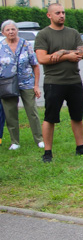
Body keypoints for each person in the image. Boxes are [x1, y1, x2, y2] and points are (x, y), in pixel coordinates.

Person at [34, 3, 83, 163]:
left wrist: (62, 52)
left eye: (63, 12)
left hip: (74, 81)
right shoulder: (43, 35)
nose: (61, 15)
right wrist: (68, 56)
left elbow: (82, 54)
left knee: (77, 115)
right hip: (54, 82)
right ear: (49, 15)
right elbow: (42, 58)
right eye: (57, 13)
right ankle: (47, 152)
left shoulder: (73, 33)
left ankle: (80, 147)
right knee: (50, 117)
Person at [0, 20, 44, 151]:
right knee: (10, 113)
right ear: (3, 33)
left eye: (13, 29)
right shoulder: (0, 46)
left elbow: (35, 65)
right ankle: (15, 141)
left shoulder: (25, 44)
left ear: (17, 30)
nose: (11, 32)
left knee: (32, 111)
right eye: (7, 30)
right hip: (6, 84)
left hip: (27, 82)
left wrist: (36, 86)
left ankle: (39, 139)